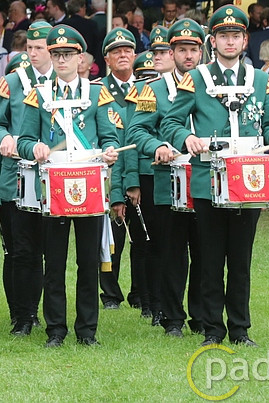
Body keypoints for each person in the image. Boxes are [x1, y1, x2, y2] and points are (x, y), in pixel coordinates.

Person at [162, 4, 269, 347]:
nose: (229, 41)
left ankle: (240, 329)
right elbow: (171, 122)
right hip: (208, 181)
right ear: (213, 41)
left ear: (244, 40)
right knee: (209, 260)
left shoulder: (260, 80)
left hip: (249, 181)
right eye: (223, 35)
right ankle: (212, 330)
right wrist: (186, 138)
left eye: (235, 35)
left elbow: (268, 124)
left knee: (240, 261)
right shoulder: (196, 79)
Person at [16, 25, 120, 347]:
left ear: (80, 59)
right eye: (57, 54)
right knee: (54, 262)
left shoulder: (96, 93)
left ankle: (87, 331)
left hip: (89, 185)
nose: (62, 60)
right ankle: (56, 330)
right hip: (54, 187)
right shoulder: (38, 95)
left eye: (68, 54)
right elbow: (23, 140)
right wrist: (34, 147)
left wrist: (110, 150)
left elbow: (110, 136)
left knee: (88, 262)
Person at [126, 19, 207, 338]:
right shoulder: (153, 89)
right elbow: (136, 130)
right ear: (171, 53)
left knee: (205, 251)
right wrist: (157, 145)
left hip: (206, 177)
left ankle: (201, 316)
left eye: (193, 50)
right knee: (172, 251)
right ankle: (172, 317)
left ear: (201, 52)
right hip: (168, 180)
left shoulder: (210, 84)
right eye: (181, 50)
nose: (188, 56)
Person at [0, 21, 54, 334]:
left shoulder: (64, 83)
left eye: (40, 48)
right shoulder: (13, 82)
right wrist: (4, 137)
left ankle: (45, 313)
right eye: (30, 48)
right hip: (16, 178)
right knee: (22, 251)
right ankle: (23, 315)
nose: (34, 53)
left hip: (53, 178)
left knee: (47, 251)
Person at [99, 28, 154, 319]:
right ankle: (110, 294)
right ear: (107, 59)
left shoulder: (147, 90)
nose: (123, 55)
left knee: (143, 239)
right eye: (116, 51)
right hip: (108, 175)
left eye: (127, 51)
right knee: (111, 240)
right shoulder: (97, 90)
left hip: (140, 174)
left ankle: (141, 293)